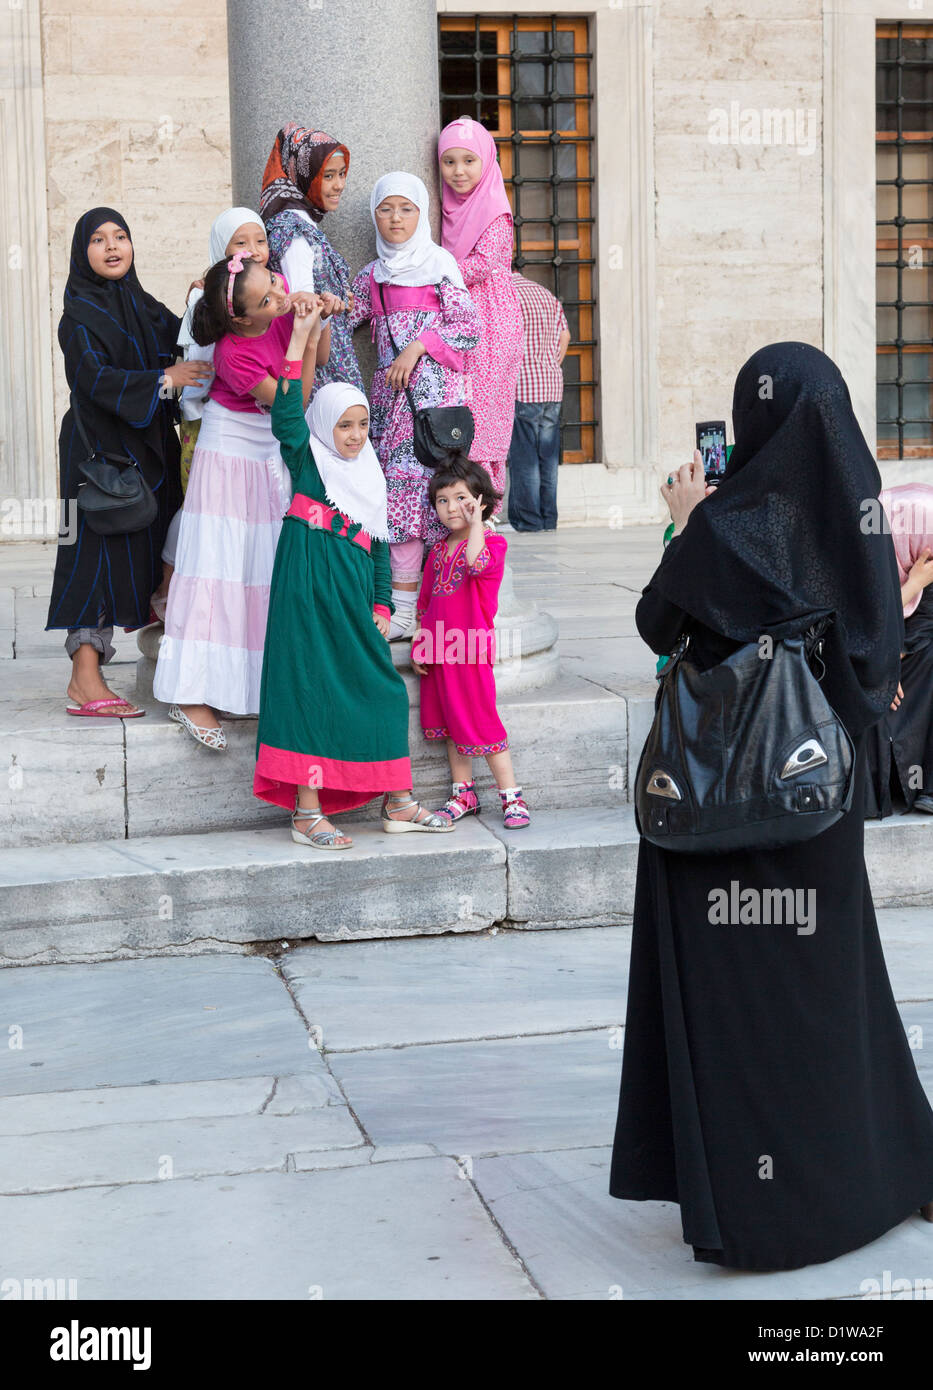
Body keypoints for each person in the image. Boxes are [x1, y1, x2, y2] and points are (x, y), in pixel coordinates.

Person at [610, 342, 933, 1271]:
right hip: (817, 802)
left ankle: (764, 1212)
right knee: (831, 997)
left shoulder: (731, 526)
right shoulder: (859, 515)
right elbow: (872, 664)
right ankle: (870, 1175)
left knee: (736, 1008)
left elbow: (658, 627)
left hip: (717, 804)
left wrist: (683, 524)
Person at [253, 317, 454, 844]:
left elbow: (381, 547)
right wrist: (299, 337)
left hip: (354, 600)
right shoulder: (307, 460)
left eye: (362, 424)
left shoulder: (370, 475)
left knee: (383, 692)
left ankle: (399, 803)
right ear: (325, 425)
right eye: (345, 425)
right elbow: (286, 412)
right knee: (308, 690)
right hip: (305, 595)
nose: (355, 435)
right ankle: (306, 812)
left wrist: (384, 605)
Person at [152, 255, 334, 746]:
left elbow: (311, 379)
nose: (279, 296)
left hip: (268, 447)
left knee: (262, 567)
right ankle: (190, 693)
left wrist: (315, 325)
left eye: (275, 284)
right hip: (229, 449)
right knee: (218, 564)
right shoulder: (231, 353)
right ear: (239, 316)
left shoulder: (278, 314)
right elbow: (291, 403)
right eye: (266, 299)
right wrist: (299, 335)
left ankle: (247, 686)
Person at [46, 208, 211, 718]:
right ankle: (84, 676)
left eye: (121, 237)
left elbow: (182, 336)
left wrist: (202, 299)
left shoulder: (142, 305)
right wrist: (166, 378)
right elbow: (93, 379)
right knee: (91, 555)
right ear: (82, 251)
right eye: (98, 240)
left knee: (142, 552)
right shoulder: (78, 314)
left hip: (141, 449)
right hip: (95, 455)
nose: (112, 247)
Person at [348, 172, 480, 641]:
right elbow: (347, 316)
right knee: (401, 503)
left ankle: (438, 605)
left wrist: (417, 346)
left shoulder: (439, 263)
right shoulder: (374, 274)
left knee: (441, 500)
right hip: (393, 409)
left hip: (437, 407)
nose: (396, 218)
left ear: (422, 213)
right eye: (386, 209)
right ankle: (402, 609)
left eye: (406, 208)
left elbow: (468, 326)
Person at [153, 207, 270, 620]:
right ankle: (169, 587)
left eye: (260, 240)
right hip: (207, 422)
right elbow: (199, 373)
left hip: (250, 425)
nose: (254, 251)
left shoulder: (267, 293)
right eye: (241, 243)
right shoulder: (208, 300)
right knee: (201, 509)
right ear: (222, 250)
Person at [411, 456, 529, 829]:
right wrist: (420, 645)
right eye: (442, 501)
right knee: (449, 724)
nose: (451, 508)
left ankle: (511, 795)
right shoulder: (439, 552)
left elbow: (477, 565)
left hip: (470, 651)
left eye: (461, 498)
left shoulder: (492, 544)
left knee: (480, 719)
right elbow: (425, 605)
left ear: (480, 500)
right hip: (441, 654)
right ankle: (463, 793)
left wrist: (477, 523)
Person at [438, 116, 524, 503]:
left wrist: (432, 270)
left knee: (483, 413)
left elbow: (483, 264)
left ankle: (484, 506)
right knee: (460, 408)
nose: (458, 171)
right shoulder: (446, 207)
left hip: (491, 320)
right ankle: (457, 501)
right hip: (460, 317)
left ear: (487, 161)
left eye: (468, 161)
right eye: (449, 161)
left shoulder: (494, 208)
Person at [260, 122, 363, 391]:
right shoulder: (293, 229)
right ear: (303, 175)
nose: (339, 185)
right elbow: (304, 312)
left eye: (341, 174)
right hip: (320, 374)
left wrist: (338, 298)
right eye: (328, 176)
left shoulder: (302, 222)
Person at [865, 482, 933, 817]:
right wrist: (914, 585)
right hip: (863, 677)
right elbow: (863, 624)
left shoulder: (922, 560)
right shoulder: (868, 552)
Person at [507, 270, 571, 531]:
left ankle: (529, 521)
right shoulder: (545, 294)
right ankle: (548, 519)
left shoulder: (507, 295)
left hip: (524, 385)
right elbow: (565, 336)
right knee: (547, 456)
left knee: (525, 459)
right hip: (552, 385)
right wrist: (552, 364)